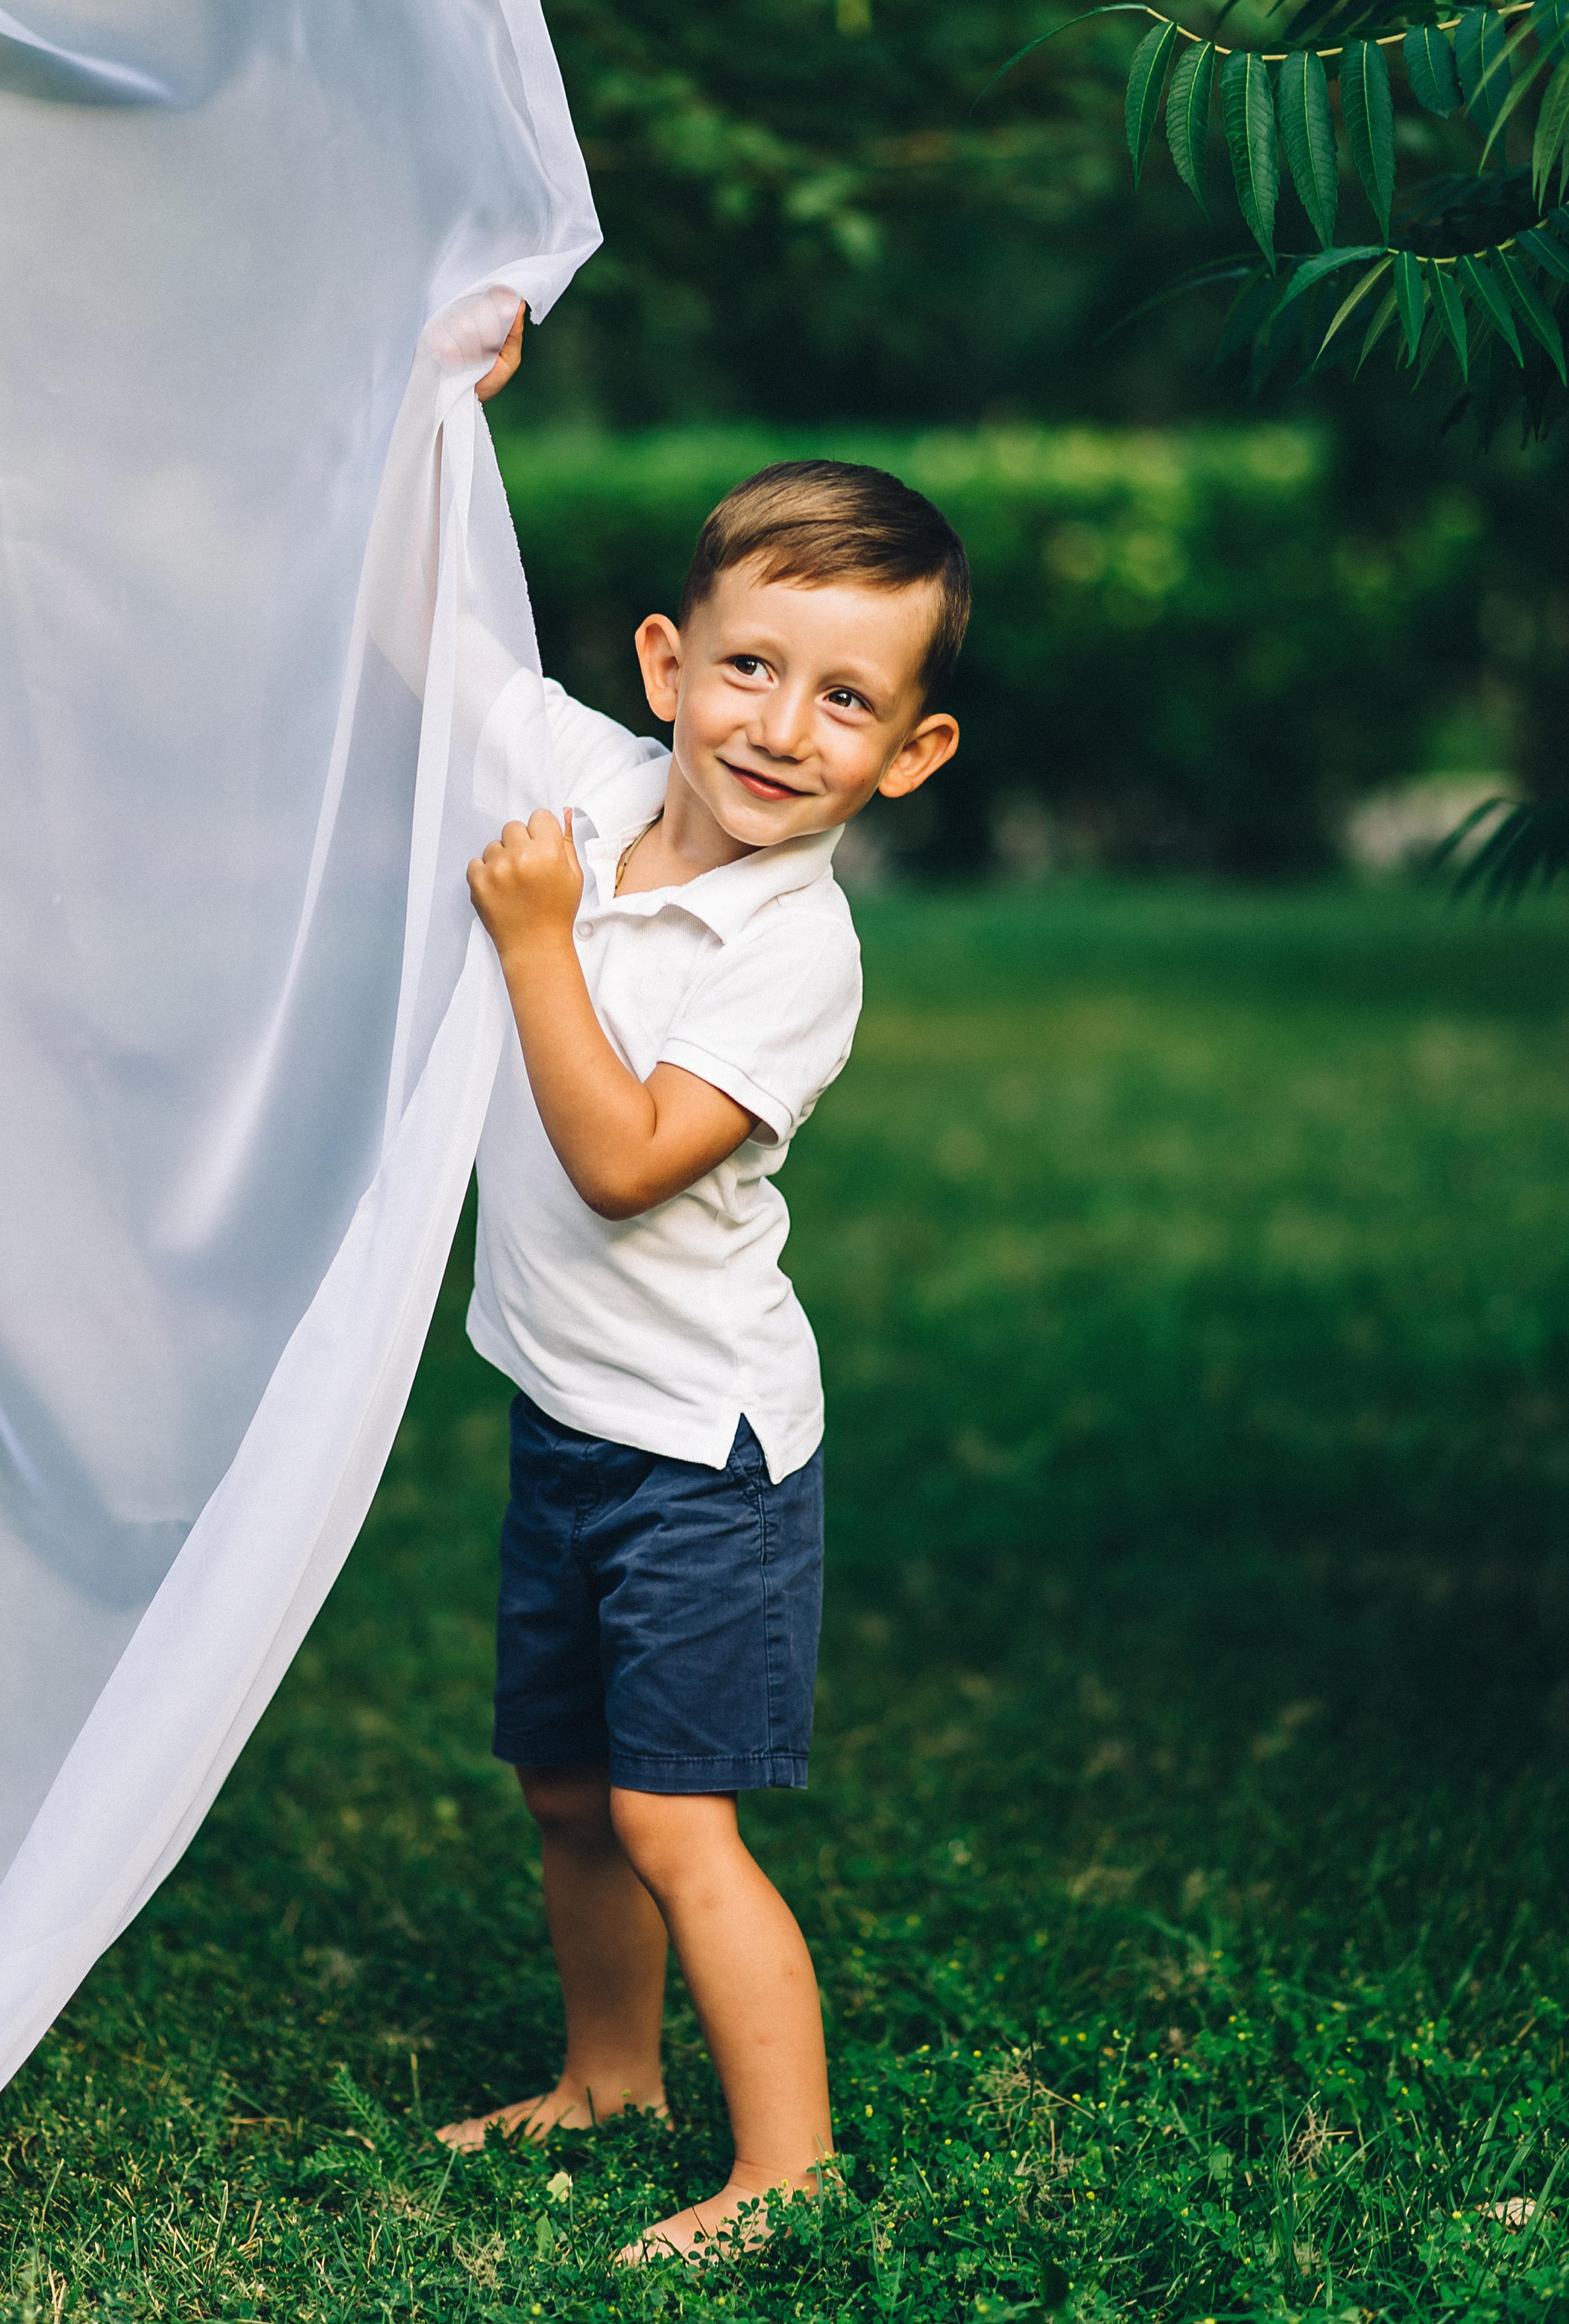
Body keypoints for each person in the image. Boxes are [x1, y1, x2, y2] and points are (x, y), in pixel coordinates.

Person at [435, 399, 967, 2264]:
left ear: (911, 755)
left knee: (677, 1819)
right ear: (668, 664)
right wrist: (444, 407)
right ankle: (609, 2073)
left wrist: (532, 945)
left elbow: (619, 1161)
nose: (781, 724)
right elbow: (408, 628)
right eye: (752, 665)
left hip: (705, 1459)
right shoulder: (584, 795)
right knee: (567, 1788)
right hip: (573, 1418)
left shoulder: (790, 949)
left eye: (846, 701)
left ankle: (787, 2165)